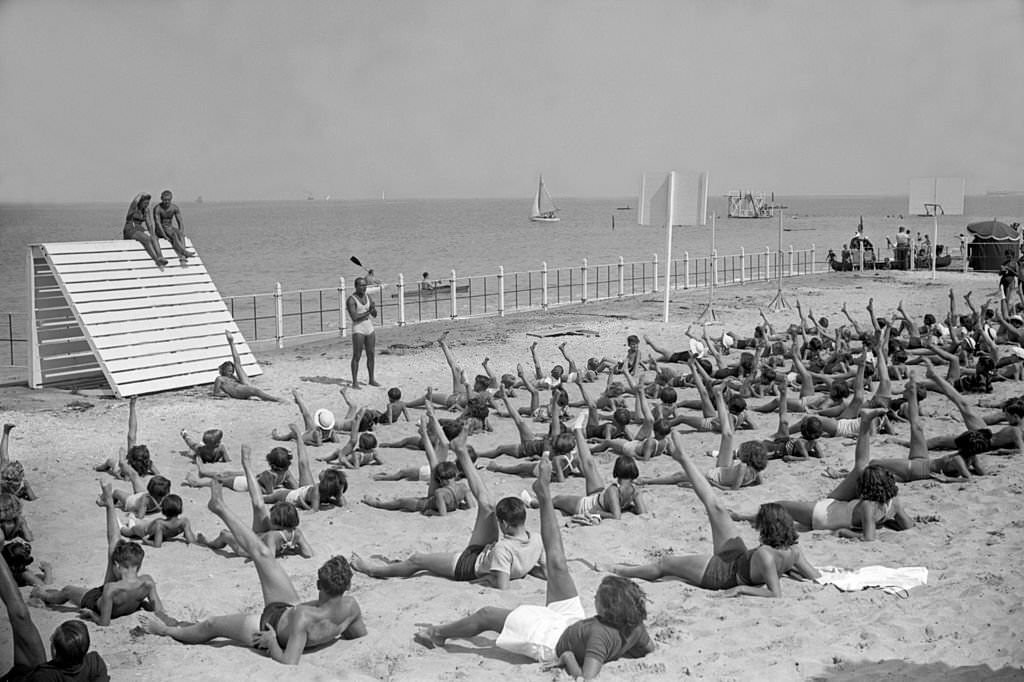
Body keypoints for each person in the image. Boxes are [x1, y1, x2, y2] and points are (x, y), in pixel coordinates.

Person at [414, 455, 655, 677]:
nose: (595, 598)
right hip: (573, 622)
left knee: (487, 615)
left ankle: (438, 634)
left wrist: (569, 658)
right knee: (558, 562)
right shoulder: (635, 627)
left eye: (599, 598)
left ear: (608, 610)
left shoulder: (599, 638)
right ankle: (544, 494)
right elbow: (648, 649)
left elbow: (585, 677)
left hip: (550, 639)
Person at [138, 483, 367, 665]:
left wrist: (272, 643)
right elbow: (356, 635)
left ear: (318, 583)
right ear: (346, 587)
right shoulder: (351, 606)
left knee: (212, 625)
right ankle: (219, 507)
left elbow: (289, 662)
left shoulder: (305, 618)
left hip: (268, 625)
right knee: (263, 554)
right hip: (289, 609)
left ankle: (167, 629)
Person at [607, 432, 820, 596]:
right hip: (738, 557)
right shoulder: (794, 551)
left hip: (722, 574)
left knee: (666, 564)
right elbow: (816, 577)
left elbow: (775, 594)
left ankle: (621, 571)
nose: (757, 527)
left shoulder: (766, 554)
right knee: (715, 505)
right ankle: (682, 459)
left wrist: (742, 590)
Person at [350, 434, 544, 589]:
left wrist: (485, 579)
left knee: (418, 560)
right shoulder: (535, 539)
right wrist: (521, 569)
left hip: (466, 566)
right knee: (488, 505)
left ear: (505, 525)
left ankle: (373, 570)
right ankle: (461, 452)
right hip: (485, 553)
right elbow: (543, 570)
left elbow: (502, 586)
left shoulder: (504, 549)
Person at [732, 412, 916, 541]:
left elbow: (869, 538)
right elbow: (908, 526)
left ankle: (743, 517)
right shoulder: (895, 502)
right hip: (840, 506)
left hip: (823, 515)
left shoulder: (868, 506)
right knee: (861, 467)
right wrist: (886, 521)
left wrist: (845, 533)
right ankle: (865, 421)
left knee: (777, 507)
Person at [34, 482, 164, 626]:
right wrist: (144, 605)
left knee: (67, 591)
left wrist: (92, 614)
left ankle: (42, 595)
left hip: (100, 602)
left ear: (116, 564)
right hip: (126, 601)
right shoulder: (147, 582)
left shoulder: (111, 589)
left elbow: (104, 623)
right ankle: (109, 503)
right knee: (114, 543)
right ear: (139, 564)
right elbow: (159, 610)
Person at [2, 558, 109, 681]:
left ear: (53, 650)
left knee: (20, 616)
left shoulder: (45, 676)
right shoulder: (94, 664)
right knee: (20, 615)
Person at [197, 446, 314, 559]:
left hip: (247, 549)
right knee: (257, 504)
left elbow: (269, 557)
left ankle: (209, 543)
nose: (270, 518)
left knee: (225, 534)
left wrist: (280, 549)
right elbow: (309, 553)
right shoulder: (296, 533)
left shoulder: (272, 536)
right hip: (261, 536)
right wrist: (290, 548)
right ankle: (244, 467)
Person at [212, 330, 283, 402]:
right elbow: (216, 393)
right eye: (229, 371)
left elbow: (237, 370)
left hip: (242, 388)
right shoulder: (220, 379)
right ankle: (275, 399)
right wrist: (225, 395)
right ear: (224, 370)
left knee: (238, 365)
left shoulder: (232, 377)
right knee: (256, 391)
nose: (231, 373)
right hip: (238, 392)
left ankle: (231, 342)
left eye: (232, 371)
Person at [118, 494, 196, 548]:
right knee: (132, 528)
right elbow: (191, 540)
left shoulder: (160, 524)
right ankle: (127, 523)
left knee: (132, 529)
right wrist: (187, 533)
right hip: (146, 528)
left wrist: (145, 541)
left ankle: (127, 523)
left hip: (146, 529)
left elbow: (157, 544)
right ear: (180, 509)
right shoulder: (184, 522)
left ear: (163, 511)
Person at [347, 277, 379, 388]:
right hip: (358, 329)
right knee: (357, 355)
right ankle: (355, 382)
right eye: (361, 285)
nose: (363, 287)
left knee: (371, 354)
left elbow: (374, 315)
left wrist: (373, 309)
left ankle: (371, 379)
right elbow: (355, 317)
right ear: (356, 286)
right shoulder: (351, 300)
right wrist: (368, 312)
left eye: (365, 285)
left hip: (369, 327)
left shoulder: (368, 297)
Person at [122, 192, 167, 266]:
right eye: (145, 203)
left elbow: (149, 224)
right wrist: (140, 195)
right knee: (146, 239)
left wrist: (152, 233)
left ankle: (160, 256)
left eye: (147, 203)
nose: (146, 205)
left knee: (154, 238)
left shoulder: (145, 210)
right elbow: (134, 202)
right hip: (130, 229)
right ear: (140, 202)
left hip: (139, 229)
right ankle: (156, 259)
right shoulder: (134, 208)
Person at [152, 189, 195, 261]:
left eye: (168, 200)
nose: (167, 202)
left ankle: (183, 256)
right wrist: (165, 236)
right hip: (160, 230)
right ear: (161, 199)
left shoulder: (174, 208)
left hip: (169, 227)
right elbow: (158, 223)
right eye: (165, 200)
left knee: (179, 234)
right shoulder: (157, 208)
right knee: (174, 234)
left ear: (171, 199)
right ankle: (184, 252)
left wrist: (181, 231)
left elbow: (180, 222)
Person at [1, 423, 37, 501]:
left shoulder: (4, 477)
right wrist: (27, 488)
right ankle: (6, 431)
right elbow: (34, 499)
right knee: (5, 459)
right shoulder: (20, 485)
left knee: (5, 459)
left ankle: (6, 431)